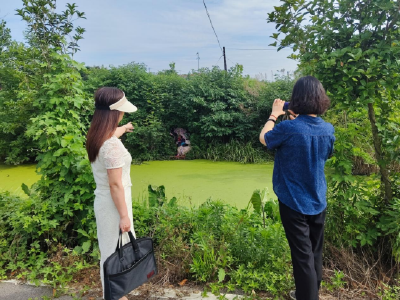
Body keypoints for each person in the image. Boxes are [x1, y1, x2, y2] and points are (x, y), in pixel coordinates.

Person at [259, 76, 335, 300]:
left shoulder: (288, 128)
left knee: (302, 257)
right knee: (314, 253)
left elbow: (264, 138)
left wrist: (274, 115)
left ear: (296, 99)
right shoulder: (328, 129)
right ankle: (309, 293)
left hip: (293, 202)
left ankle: (307, 297)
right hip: (318, 199)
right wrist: (296, 118)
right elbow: (325, 154)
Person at [86, 87, 137, 300]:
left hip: (105, 201)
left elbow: (112, 136)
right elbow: (115, 184)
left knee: (110, 249)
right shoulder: (112, 147)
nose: (124, 114)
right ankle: (115, 295)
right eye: (122, 112)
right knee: (116, 252)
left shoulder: (98, 137)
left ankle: (115, 293)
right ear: (115, 112)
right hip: (116, 205)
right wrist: (124, 216)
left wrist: (123, 129)